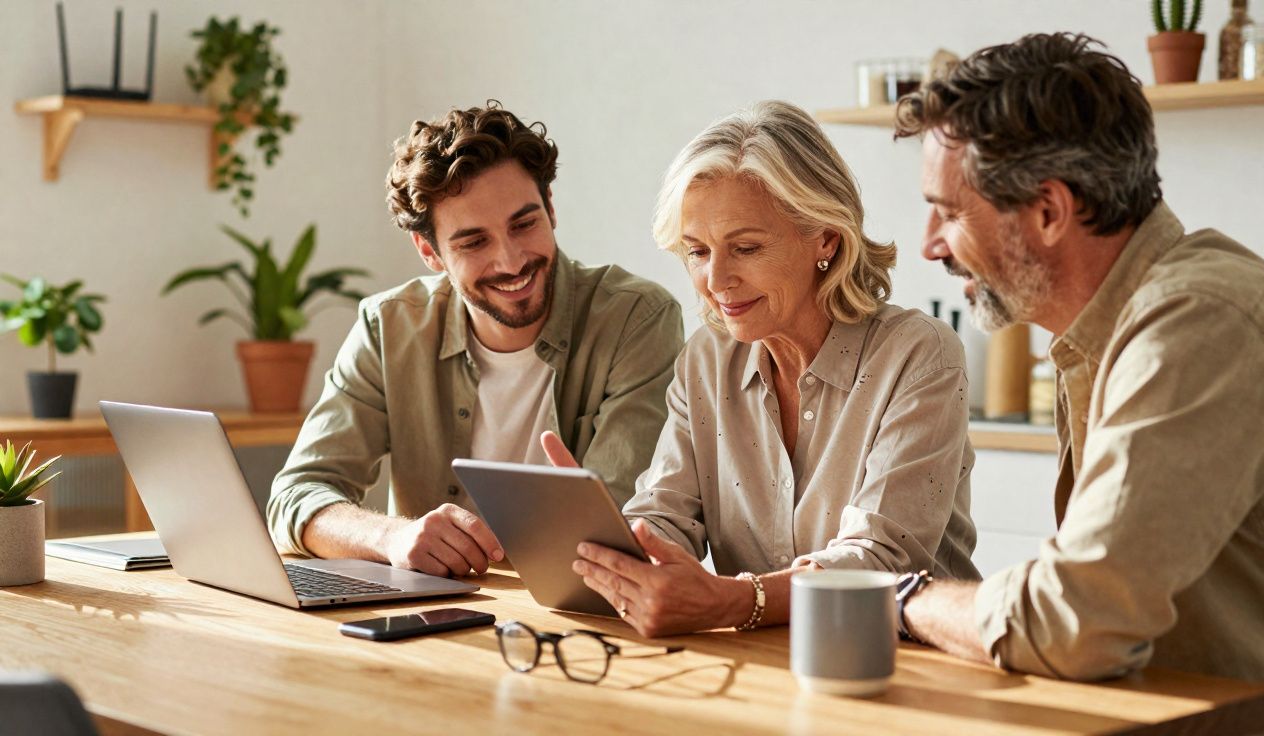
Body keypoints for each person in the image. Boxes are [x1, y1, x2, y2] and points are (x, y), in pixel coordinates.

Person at [893, 33, 1264, 734]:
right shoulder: (1115, 329)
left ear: (1050, 212)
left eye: (951, 211)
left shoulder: (1201, 323)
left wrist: (904, 599)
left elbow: (1075, 620)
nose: (930, 242)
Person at [547, 100, 979, 638]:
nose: (715, 278)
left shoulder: (919, 354)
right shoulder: (706, 360)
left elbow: (881, 564)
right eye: (697, 251)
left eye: (745, 248)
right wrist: (607, 541)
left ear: (826, 237)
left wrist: (734, 600)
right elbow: (666, 514)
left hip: (905, 663)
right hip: (766, 666)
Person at [266, 103, 684, 580]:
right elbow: (296, 496)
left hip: (577, 615)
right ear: (430, 251)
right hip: (433, 618)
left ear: (550, 206)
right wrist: (392, 537)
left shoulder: (636, 319)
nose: (510, 261)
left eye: (524, 224)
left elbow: (618, 524)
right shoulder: (389, 327)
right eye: (473, 242)